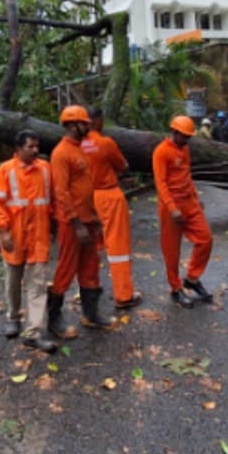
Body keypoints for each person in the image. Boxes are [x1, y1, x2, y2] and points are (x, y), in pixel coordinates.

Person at [48, 105, 115, 339]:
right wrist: (76, 224)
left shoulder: (81, 149)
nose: (89, 126)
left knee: (90, 267)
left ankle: (91, 314)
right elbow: (62, 192)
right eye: (84, 123)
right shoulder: (61, 154)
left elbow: (85, 188)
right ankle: (54, 319)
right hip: (71, 224)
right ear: (71, 124)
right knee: (66, 268)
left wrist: (94, 217)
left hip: (87, 221)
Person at [0, 130, 57, 352]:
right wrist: (3, 231)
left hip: (38, 235)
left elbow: (52, 200)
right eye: (31, 146)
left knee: (38, 284)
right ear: (18, 150)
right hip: (15, 235)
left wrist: (54, 225)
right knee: (13, 279)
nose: (36, 150)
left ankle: (34, 332)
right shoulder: (5, 171)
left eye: (37, 146)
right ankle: (13, 316)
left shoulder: (45, 169)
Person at [152, 116, 215, 308]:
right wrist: (172, 208)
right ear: (175, 132)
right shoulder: (161, 152)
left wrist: (195, 198)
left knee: (205, 239)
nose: (187, 140)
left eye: (189, 136)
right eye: (184, 136)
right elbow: (161, 183)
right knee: (172, 251)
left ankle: (192, 279)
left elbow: (187, 175)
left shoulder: (185, 149)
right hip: (171, 207)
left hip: (189, 203)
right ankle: (175, 288)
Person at [83, 108, 143, 310]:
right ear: (98, 122)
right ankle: (124, 294)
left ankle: (88, 293)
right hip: (108, 196)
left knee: (91, 247)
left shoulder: (75, 145)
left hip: (86, 199)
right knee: (117, 246)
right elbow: (123, 165)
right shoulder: (105, 143)